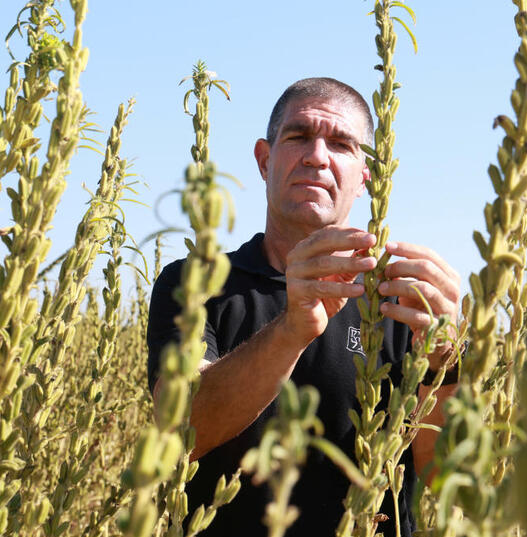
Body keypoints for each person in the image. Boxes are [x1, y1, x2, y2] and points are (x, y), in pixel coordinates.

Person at [146, 77, 461, 537]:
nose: (317, 156)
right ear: (264, 159)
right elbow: (177, 430)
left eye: (341, 143)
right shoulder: (194, 284)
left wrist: (444, 365)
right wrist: (293, 328)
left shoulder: (403, 301)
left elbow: (444, 478)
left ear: (366, 178)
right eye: (298, 136)